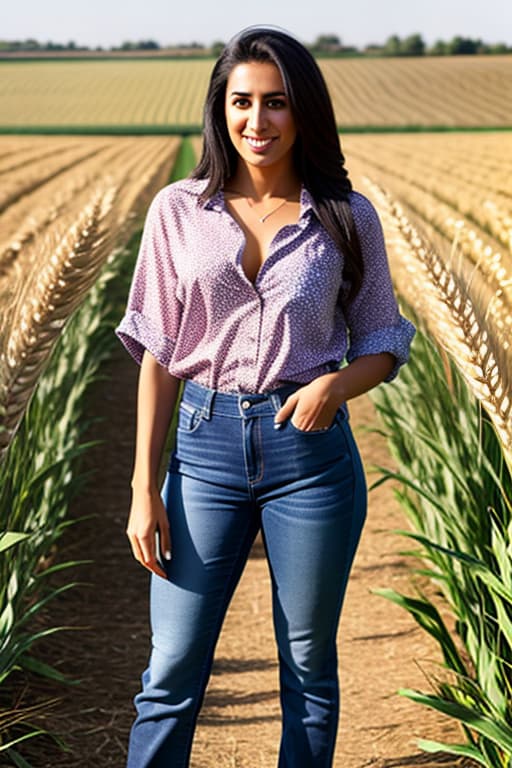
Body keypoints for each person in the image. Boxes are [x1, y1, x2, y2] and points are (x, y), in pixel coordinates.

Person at [115, 25, 415, 768]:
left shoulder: (347, 217)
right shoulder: (176, 212)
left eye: (276, 102)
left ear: (303, 110)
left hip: (310, 458)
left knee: (308, 667)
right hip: (204, 449)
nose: (258, 121)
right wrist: (143, 488)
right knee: (173, 667)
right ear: (220, 109)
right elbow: (157, 352)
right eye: (242, 101)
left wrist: (336, 384)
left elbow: (385, 338)